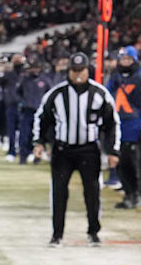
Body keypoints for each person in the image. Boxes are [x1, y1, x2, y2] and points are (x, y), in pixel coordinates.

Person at [34, 52, 121, 247]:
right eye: (74, 70)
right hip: (62, 150)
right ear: (69, 71)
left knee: (92, 192)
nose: (78, 74)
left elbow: (112, 123)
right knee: (58, 192)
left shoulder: (100, 93)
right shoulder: (56, 93)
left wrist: (113, 151)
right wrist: (38, 142)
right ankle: (57, 234)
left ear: (88, 69)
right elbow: (42, 118)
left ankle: (93, 232)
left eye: (81, 70)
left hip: (89, 149)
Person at [106, 46, 141, 210]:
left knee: (136, 164)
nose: (125, 62)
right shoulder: (115, 77)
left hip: (137, 126)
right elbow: (106, 95)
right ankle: (129, 192)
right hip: (119, 125)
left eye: (128, 59)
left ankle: (139, 194)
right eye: (123, 59)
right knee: (120, 162)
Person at [18, 61, 51, 164]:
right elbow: (18, 92)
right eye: (34, 68)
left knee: (37, 135)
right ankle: (23, 156)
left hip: (40, 112)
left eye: (37, 68)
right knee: (24, 134)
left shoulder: (45, 80)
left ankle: (37, 157)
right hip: (27, 110)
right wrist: (23, 102)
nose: (36, 70)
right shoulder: (25, 80)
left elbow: (50, 94)